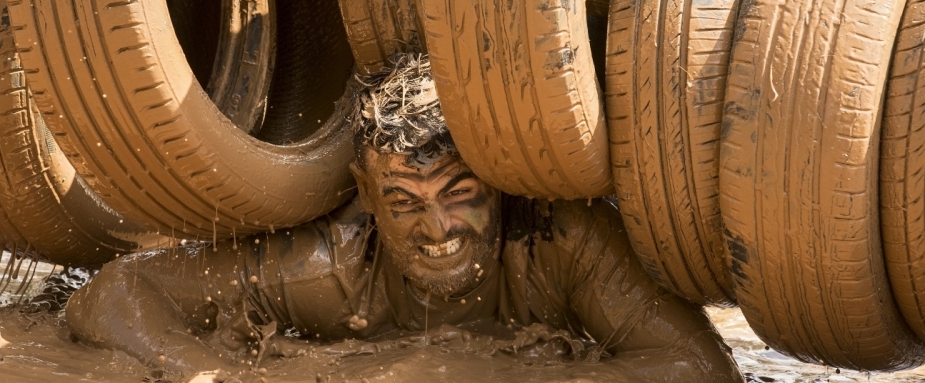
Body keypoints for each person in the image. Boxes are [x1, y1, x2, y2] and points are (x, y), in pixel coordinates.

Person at [65, 54, 742, 382]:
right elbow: (115, 293)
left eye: (458, 194)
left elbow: (701, 370)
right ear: (365, 192)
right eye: (404, 202)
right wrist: (221, 377)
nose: (438, 230)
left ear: (501, 184)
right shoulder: (332, 268)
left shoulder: (561, 241)